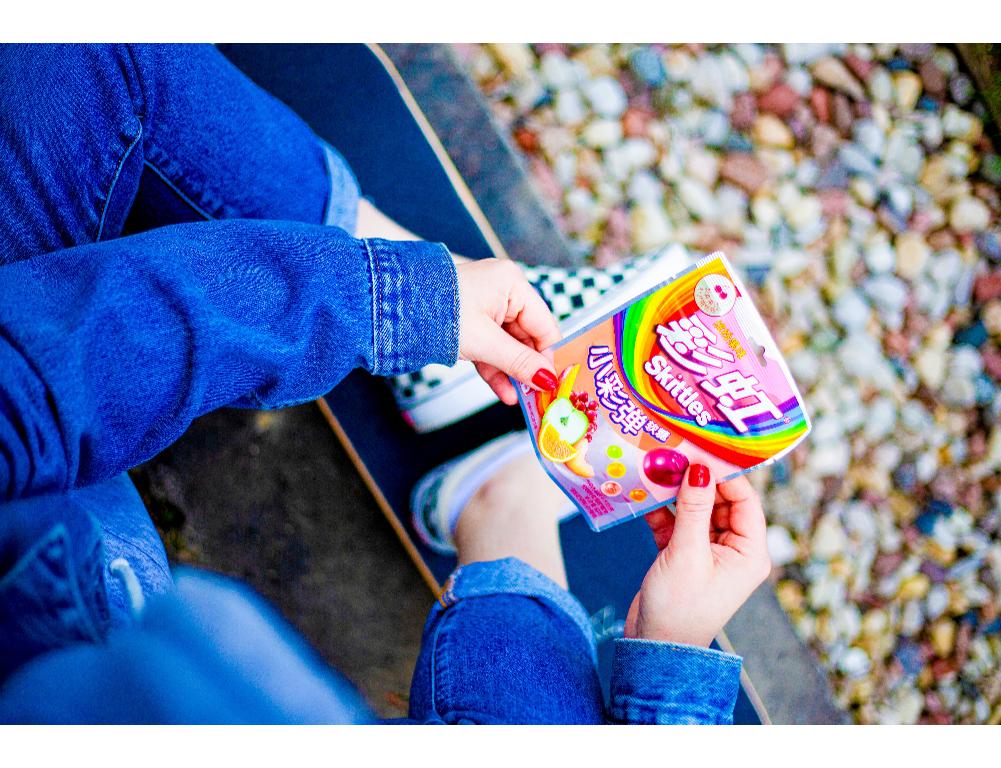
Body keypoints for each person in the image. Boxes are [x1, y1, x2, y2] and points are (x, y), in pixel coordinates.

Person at [0, 43, 770, 723]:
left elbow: (31, 385)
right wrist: (668, 672)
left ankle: (411, 302)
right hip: (70, 589)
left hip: (35, 535)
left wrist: (397, 300)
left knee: (87, 54)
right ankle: (501, 502)